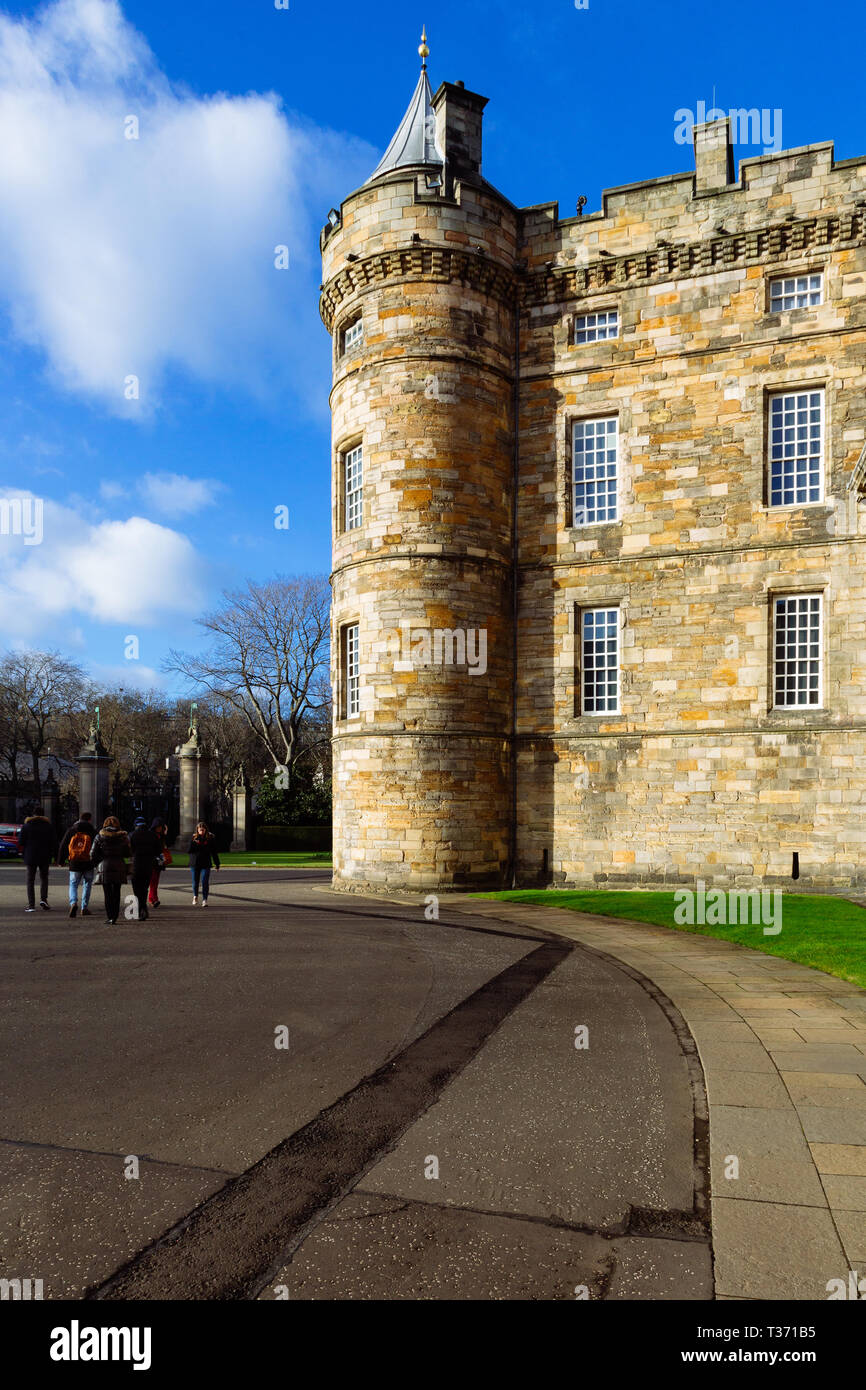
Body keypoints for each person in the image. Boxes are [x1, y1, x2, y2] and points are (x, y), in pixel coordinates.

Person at [90, 816, 131, 925]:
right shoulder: (123, 837)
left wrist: (98, 864)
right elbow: (128, 853)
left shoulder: (99, 836)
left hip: (105, 866)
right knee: (116, 893)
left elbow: (92, 854)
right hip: (119, 866)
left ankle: (110, 917)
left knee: (107, 894)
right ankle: (115, 916)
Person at [58, 811, 96, 919]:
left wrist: (61, 860)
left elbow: (64, 845)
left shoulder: (72, 830)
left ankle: (73, 902)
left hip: (74, 861)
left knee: (73, 884)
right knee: (87, 883)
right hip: (88, 862)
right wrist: (96, 861)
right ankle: (84, 907)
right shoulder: (92, 831)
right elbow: (97, 846)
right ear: (89, 819)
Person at [20, 806, 57, 914]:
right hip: (45, 855)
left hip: (31, 856)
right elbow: (54, 842)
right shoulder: (48, 826)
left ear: (33, 814)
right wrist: (56, 857)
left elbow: (21, 841)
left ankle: (31, 905)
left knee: (30, 880)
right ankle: (43, 899)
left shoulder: (26, 826)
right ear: (43, 814)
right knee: (44, 878)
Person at [129, 816, 161, 921]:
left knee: (137, 889)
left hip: (136, 865)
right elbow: (158, 850)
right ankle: (143, 908)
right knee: (144, 888)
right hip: (148, 865)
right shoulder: (152, 835)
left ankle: (141, 909)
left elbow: (129, 850)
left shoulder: (132, 835)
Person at [188, 821, 220, 906]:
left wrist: (217, 864)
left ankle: (205, 899)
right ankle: (195, 896)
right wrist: (194, 842)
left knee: (204, 881)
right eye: (200, 829)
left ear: (205, 830)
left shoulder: (210, 839)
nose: (201, 831)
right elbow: (189, 851)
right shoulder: (193, 838)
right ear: (197, 830)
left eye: (203, 829)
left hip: (206, 863)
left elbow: (214, 852)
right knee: (195, 881)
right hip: (195, 863)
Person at [147, 817, 168, 910]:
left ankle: (153, 899)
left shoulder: (160, 836)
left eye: (161, 827)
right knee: (153, 882)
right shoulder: (152, 835)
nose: (160, 828)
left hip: (158, 861)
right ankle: (153, 899)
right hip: (153, 861)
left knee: (155, 882)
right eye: (158, 827)